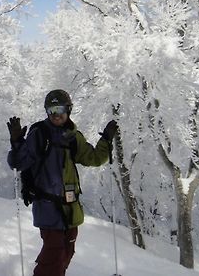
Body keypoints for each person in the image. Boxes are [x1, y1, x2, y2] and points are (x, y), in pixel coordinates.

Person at [7, 89, 118, 276]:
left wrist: (106, 140)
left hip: (71, 208)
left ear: (68, 109)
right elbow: (18, 162)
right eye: (51, 110)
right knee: (55, 254)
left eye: (59, 109)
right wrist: (17, 142)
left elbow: (94, 158)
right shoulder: (39, 133)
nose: (56, 115)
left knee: (66, 252)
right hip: (47, 206)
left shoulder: (73, 137)